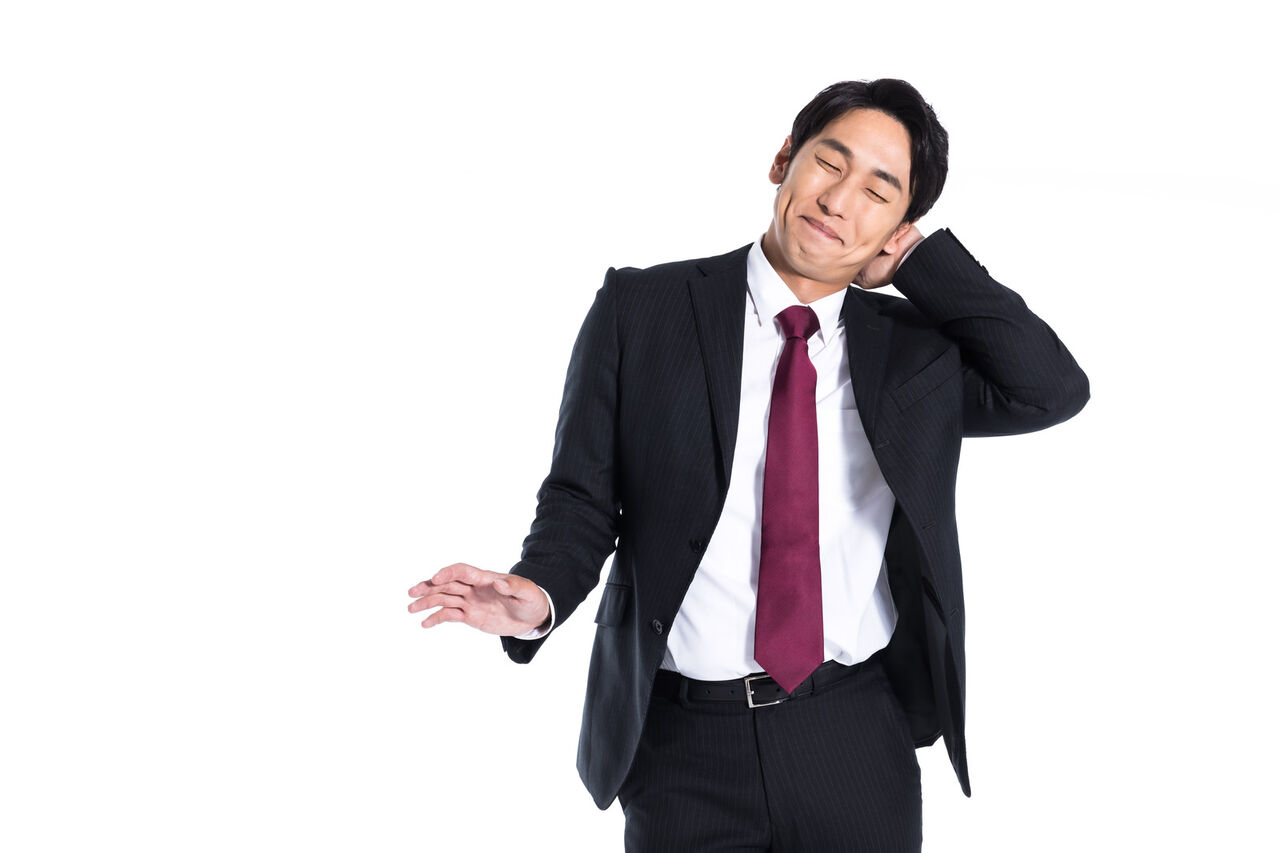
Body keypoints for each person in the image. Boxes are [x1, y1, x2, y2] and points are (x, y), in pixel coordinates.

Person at [408, 78, 1089, 851]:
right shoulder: (643, 308)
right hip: (684, 747)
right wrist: (540, 594)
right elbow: (581, 499)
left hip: (853, 732)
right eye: (829, 163)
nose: (839, 201)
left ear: (898, 225)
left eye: (877, 192)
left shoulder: (913, 354)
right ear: (783, 159)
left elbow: (1051, 389)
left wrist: (924, 265)